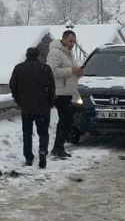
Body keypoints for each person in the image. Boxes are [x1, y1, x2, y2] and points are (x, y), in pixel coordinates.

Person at [9, 46, 55, 168]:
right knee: (43, 133)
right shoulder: (45, 68)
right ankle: (43, 151)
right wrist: (50, 103)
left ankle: (28, 157)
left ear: (26, 55)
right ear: (38, 56)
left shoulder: (19, 68)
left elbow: (12, 86)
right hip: (43, 107)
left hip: (26, 107)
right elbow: (52, 88)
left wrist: (19, 100)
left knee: (27, 133)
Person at [47, 30, 83, 158]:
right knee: (65, 120)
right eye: (70, 41)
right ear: (63, 39)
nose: (72, 44)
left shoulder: (68, 53)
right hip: (59, 92)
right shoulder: (55, 53)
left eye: (74, 41)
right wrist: (71, 70)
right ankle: (57, 147)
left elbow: (70, 73)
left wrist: (77, 72)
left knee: (67, 120)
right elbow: (51, 71)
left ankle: (59, 147)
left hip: (68, 92)